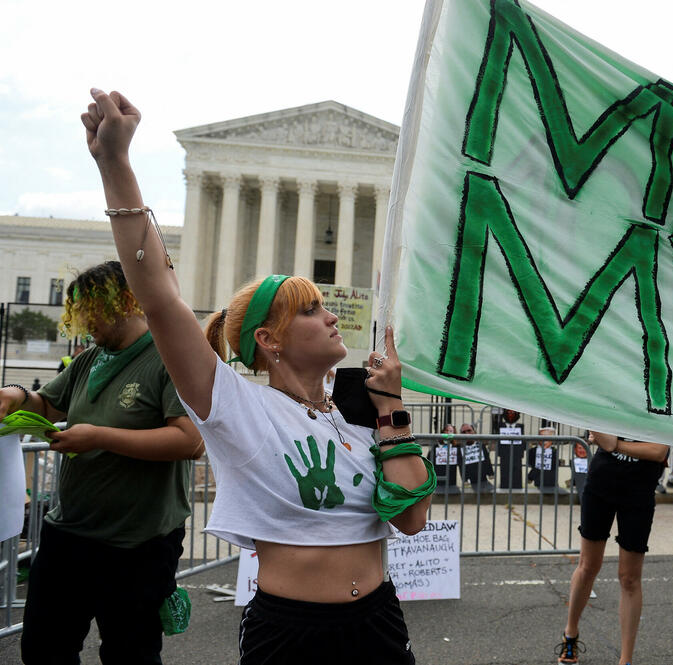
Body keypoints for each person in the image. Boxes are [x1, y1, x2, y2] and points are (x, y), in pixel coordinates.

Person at [80, 88, 434, 664]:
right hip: (289, 633)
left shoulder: (358, 411)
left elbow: (413, 519)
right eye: (312, 310)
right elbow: (161, 298)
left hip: (379, 622)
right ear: (269, 341)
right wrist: (115, 163)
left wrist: (392, 409)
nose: (332, 316)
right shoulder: (236, 407)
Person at [0, 260, 202, 665]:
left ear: (125, 302)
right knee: (43, 648)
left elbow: (190, 441)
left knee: (131, 654)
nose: (83, 321)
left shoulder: (169, 356)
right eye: (78, 312)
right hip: (69, 532)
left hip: (139, 543)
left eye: (91, 310)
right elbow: (49, 405)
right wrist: (17, 394)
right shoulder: (91, 358)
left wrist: (98, 437)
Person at [556, 431, 668, 665]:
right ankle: (570, 633)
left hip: (639, 492)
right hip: (601, 484)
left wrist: (615, 445)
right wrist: (615, 444)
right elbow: (601, 436)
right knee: (588, 566)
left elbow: (658, 451)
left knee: (629, 578)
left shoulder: (662, 406)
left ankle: (625, 660)